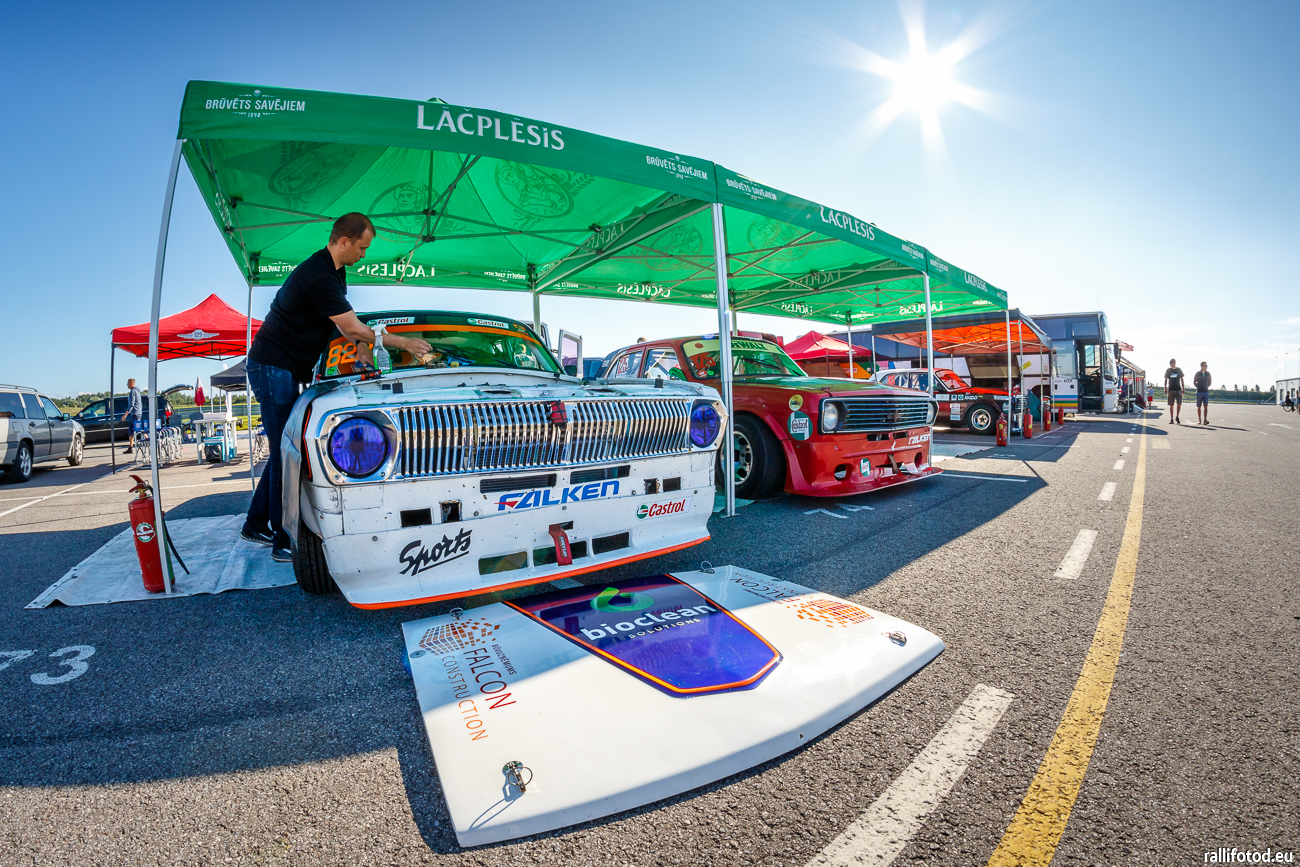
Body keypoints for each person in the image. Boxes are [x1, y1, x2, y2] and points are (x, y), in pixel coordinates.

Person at [241, 213, 431, 562]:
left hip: (285, 366)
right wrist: (404, 342)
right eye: (362, 248)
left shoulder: (335, 273)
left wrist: (361, 346)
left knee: (284, 447)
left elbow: (345, 325)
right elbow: (354, 326)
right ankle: (283, 538)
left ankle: (254, 524)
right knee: (286, 453)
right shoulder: (318, 275)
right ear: (344, 241)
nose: (364, 255)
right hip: (272, 364)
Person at [120, 378, 142, 453]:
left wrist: (125, 414)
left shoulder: (133, 391)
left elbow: (132, 404)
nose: (127, 384)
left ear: (131, 383)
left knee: (139, 430)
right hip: (135, 414)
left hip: (135, 414)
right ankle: (130, 447)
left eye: (128, 383)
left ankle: (149, 441)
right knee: (131, 431)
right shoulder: (137, 392)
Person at [1164, 358, 1186, 424]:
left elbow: (1182, 379)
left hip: (1178, 389)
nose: (1171, 363)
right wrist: (1165, 388)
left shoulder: (1178, 370)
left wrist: (1183, 388)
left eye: (1172, 362)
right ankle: (1171, 419)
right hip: (1171, 389)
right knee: (1171, 404)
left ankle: (1177, 416)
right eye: (1170, 362)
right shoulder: (1168, 370)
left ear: (1175, 363)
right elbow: (1166, 379)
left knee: (1179, 403)